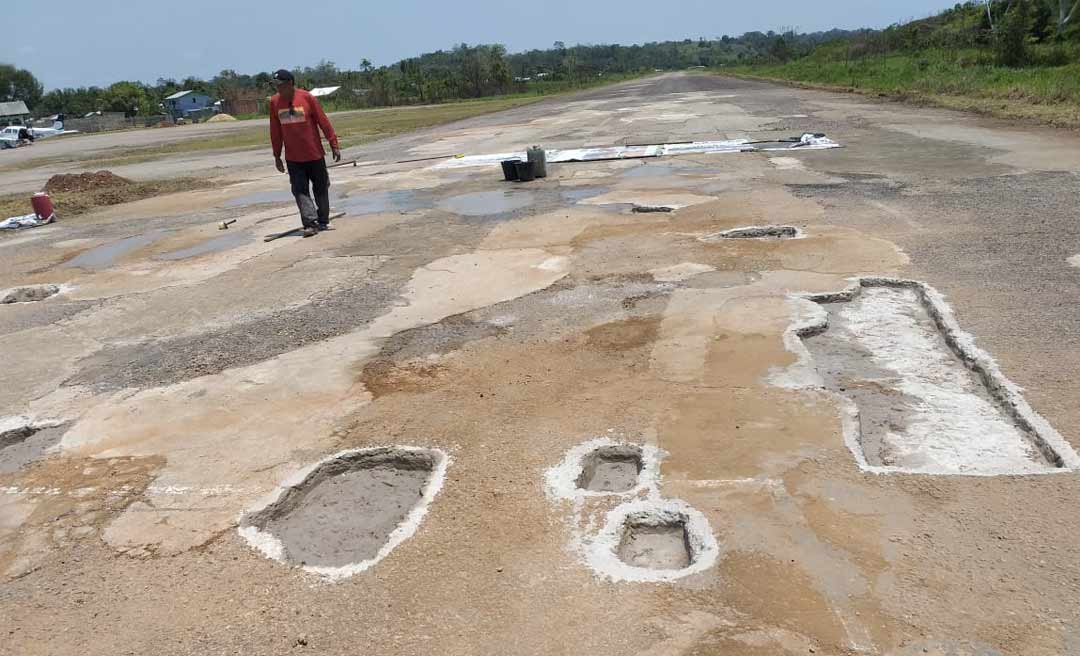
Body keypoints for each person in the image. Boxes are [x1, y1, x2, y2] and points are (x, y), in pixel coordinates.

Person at [269, 69, 341, 237]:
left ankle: (322, 220)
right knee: (300, 190)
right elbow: (275, 130)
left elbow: (324, 121)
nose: (278, 89)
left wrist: (334, 144)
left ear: (289, 84)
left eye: (280, 86)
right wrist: (277, 155)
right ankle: (310, 223)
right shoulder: (274, 102)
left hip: (314, 154)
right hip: (293, 158)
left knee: (321, 188)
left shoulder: (307, 98)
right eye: (276, 86)